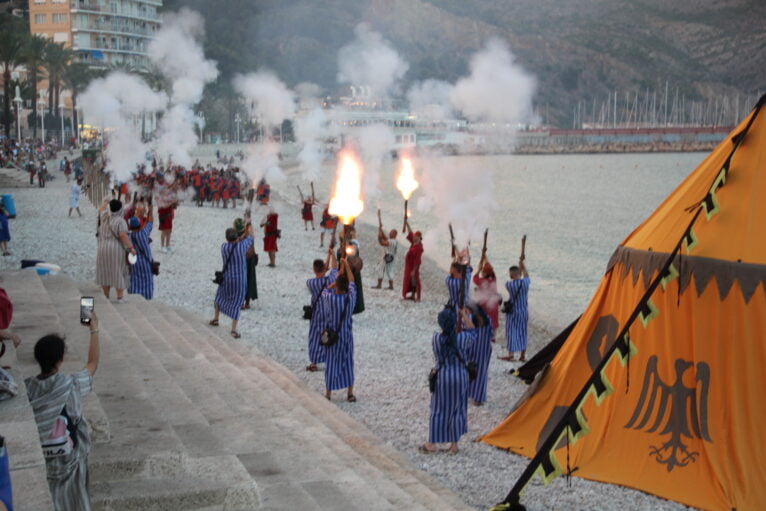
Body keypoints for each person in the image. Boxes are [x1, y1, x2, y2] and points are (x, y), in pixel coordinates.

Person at [25, 312, 100, 511]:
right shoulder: (71, 384)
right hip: (71, 460)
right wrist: (94, 330)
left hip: (45, 459)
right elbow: (92, 364)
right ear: (61, 359)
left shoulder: (28, 389)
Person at [421, 307, 476, 454]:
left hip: (443, 376)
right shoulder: (463, 339)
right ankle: (454, 445)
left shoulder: (436, 339)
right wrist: (464, 315)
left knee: (438, 409)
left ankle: (432, 442)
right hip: (461, 376)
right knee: (458, 410)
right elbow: (472, 330)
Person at [320, 258, 356, 402]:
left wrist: (334, 283)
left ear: (337, 286)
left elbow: (325, 290)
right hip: (346, 335)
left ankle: (328, 393)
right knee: (348, 362)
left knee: (331, 363)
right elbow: (352, 282)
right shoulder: (351, 298)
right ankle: (350, 393)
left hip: (332, 336)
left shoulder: (330, 299)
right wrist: (346, 265)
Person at [209, 224, 254, 338]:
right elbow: (251, 237)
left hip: (227, 278)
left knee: (220, 296)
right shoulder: (242, 247)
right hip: (239, 280)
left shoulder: (224, 247)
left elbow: (236, 241)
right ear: (236, 237)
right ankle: (233, 329)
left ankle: (216, 318)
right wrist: (249, 225)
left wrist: (241, 236)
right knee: (237, 303)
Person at [95, 199, 136, 302]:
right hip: (115, 248)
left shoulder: (104, 217)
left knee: (105, 270)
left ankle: (106, 295)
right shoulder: (120, 221)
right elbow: (122, 235)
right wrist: (131, 247)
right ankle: (120, 297)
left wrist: (106, 202)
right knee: (118, 270)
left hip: (102, 246)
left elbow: (101, 209)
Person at [305, 247, 337, 372]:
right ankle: (328, 358)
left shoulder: (310, 283)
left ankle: (314, 361)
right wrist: (332, 255)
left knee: (314, 336)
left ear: (314, 269)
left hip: (316, 313)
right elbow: (334, 268)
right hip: (328, 312)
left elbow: (326, 270)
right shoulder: (329, 280)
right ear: (324, 269)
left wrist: (327, 259)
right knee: (327, 335)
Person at [500, 255, 530, 362]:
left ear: (511, 275)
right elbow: (526, 275)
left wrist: (520, 265)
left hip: (513, 312)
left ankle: (511, 354)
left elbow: (519, 276)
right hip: (524, 311)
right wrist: (522, 264)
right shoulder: (525, 283)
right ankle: (522, 355)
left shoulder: (509, 285)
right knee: (523, 331)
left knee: (511, 331)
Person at [466, 302, 493, 406]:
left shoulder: (470, 318)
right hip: (484, 350)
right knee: (482, 373)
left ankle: (469, 393)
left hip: (472, 348)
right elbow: (491, 335)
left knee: (469, 371)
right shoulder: (488, 320)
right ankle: (478, 398)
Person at [128, 201, 155, 300]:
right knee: (147, 282)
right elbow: (150, 223)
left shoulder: (129, 236)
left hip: (134, 262)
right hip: (146, 262)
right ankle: (147, 299)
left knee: (135, 280)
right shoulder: (143, 233)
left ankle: (135, 298)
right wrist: (150, 211)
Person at [472, 253, 500, 343]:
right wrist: (485, 258)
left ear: (484, 273)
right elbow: (491, 269)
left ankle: (484, 334)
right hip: (494, 302)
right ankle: (493, 336)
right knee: (494, 319)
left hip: (484, 303)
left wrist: (478, 269)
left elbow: (474, 278)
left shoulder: (482, 281)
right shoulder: (493, 279)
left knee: (484, 318)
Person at [234, 218, 258, 310]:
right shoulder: (248, 236)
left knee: (243, 280)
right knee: (248, 279)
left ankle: (242, 301)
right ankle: (246, 302)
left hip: (243, 259)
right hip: (248, 259)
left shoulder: (237, 235)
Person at [402, 220, 424, 301]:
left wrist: (414, 270)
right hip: (409, 266)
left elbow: (417, 260)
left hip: (414, 266)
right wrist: (407, 222)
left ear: (419, 238)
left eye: (416, 237)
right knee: (410, 280)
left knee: (416, 280)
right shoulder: (413, 242)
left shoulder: (418, 247)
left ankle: (418, 297)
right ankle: (412, 295)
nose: (414, 237)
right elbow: (410, 232)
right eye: (414, 236)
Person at [373, 226, 398, 290]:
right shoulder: (394, 241)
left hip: (387, 257)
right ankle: (391, 286)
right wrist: (381, 230)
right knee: (389, 271)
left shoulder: (391, 241)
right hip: (392, 257)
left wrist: (379, 236)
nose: (389, 233)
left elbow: (382, 243)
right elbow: (385, 238)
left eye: (391, 233)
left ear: (394, 234)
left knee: (380, 269)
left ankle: (379, 285)